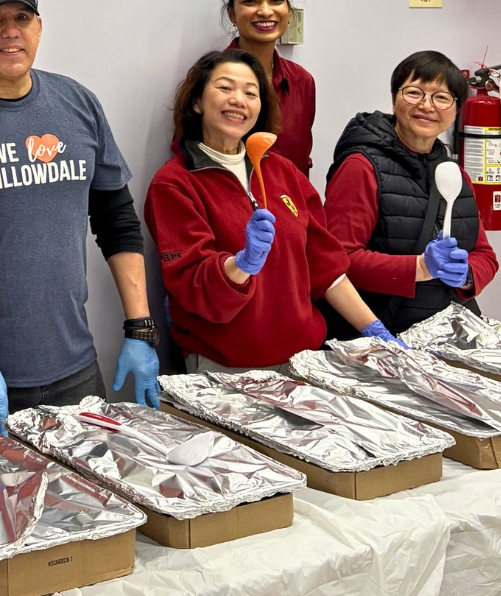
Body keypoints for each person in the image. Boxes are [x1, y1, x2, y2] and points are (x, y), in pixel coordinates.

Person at [0, 0, 159, 432]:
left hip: (75, 371)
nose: (10, 31)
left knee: (84, 503)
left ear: (39, 27)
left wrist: (140, 328)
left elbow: (117, 221)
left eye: (22, 17)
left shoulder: (78, 104)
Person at [144, 50, 402, 373]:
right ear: (196, 102)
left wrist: (375, 330)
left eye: (251, 93)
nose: (238, 100)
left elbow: (327, 270)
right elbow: (193, 285)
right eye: (225, 88)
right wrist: (240, 265)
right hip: (226, 370)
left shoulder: (283, 172)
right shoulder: (174, 184)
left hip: (304, 363)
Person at [323, 51, 498, 337]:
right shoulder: (361, 167)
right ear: (394, 98)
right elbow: (338, 260)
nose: (426, 105)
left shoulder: (455, 173)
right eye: (414, 92)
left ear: (456, 110)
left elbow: (485, 255)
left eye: (441, 97)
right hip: (380, 335)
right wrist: (418, 267)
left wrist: (466, 274)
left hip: (444, 337)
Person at [222, 0, 315, 177]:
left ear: (288, 10)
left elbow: (301, 163)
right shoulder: (209, 78)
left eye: (275, 0)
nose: (265, 11)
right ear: (232, 14)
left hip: (290, 207)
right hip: (233, 206)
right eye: (250, 2)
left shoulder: (302, 81)